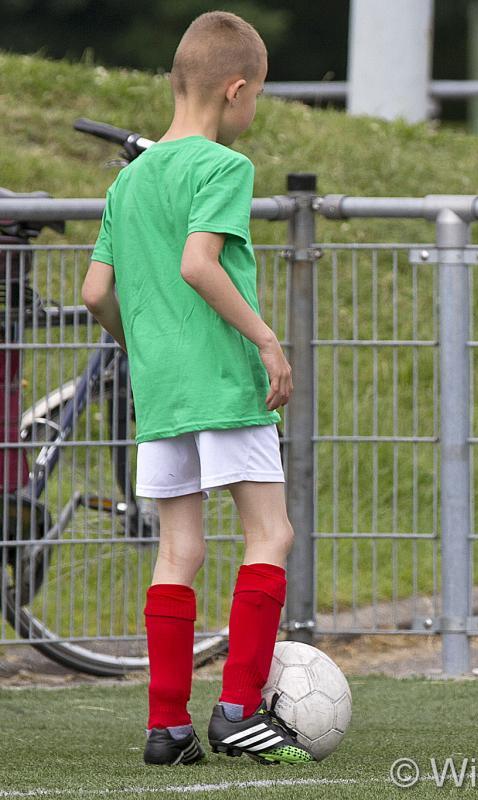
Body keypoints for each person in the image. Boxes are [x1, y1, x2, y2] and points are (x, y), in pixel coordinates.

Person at [82, 11, 312, 766]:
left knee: (178, 548)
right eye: (259, 97)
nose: (255, 110)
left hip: (160, 392)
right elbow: (197, 263)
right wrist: (267, 341)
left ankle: (167, 727)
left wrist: (142, 345)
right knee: (270, 535)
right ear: (237, 90)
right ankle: (239, 711)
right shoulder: (223, 167)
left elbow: (95, 293)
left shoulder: (129, 179)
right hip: (222, 380)